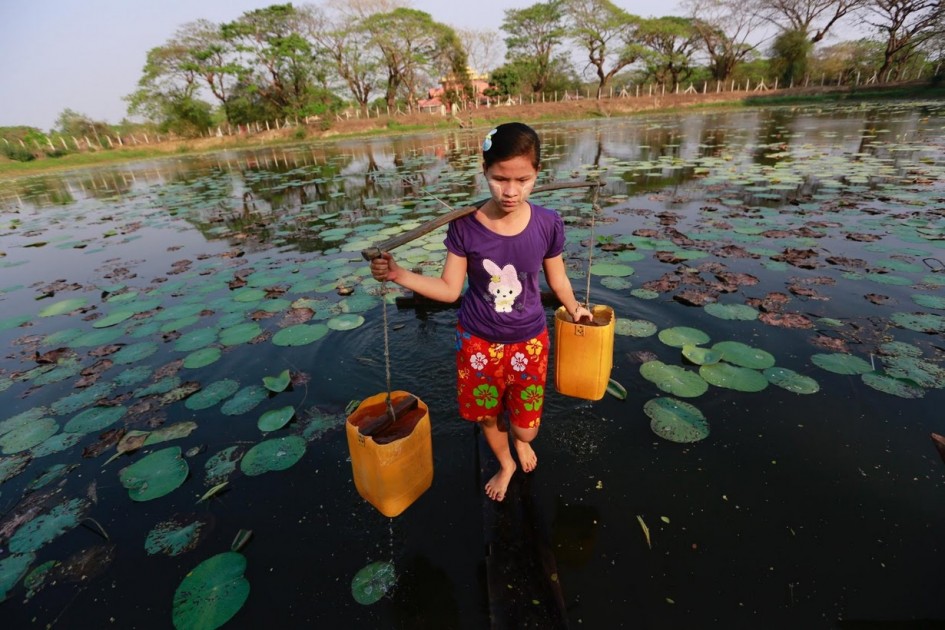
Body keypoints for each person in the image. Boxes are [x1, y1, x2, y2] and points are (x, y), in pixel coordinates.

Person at [370, 122, 592, 502]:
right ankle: (505, 462)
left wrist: (574, 308)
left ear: (538, 173)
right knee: (488, 415)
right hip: (477, 344)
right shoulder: (465, 227)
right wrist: (397, 274)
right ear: (484, 170)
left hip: (529, 343)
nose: (510, 191)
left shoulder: (547, 223)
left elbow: (557, 280)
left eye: (522, 179)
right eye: (499, 178)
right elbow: (449, 289)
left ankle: (520, 443)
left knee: (527, 430)